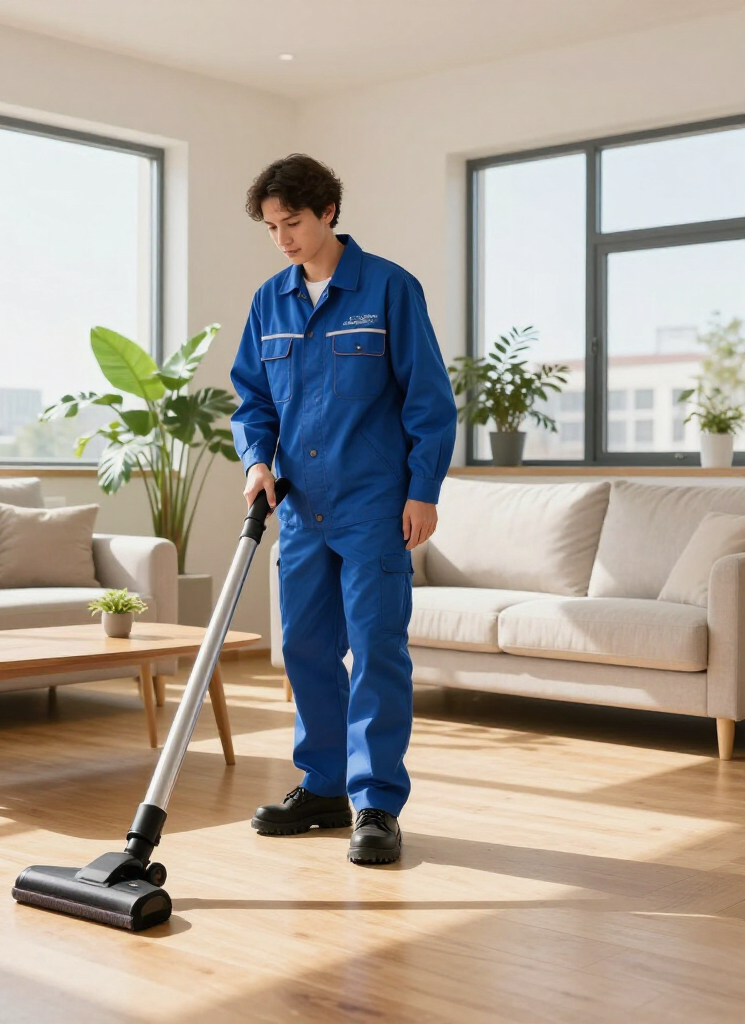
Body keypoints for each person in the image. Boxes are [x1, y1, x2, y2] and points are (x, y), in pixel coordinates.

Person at [230, 153, 456, 864]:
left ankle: (376, 802)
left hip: (373, 507)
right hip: (301, 511)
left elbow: (429, 400)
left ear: (328, 211)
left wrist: (423, 491)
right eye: (271, 228)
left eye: (292, 223)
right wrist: (256, 461)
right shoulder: (269, 301)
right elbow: (253, 400)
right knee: (304, 648)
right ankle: (325, 785)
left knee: (377, 651)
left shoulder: (388, 288)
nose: (283, 239)